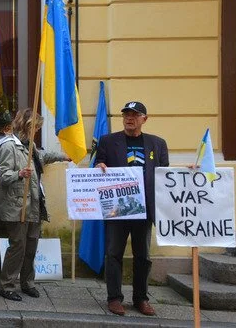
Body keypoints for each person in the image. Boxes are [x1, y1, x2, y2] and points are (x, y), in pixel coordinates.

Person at [95, 101, 168, 317]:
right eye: (126, 114)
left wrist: (187, 173)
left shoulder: (158, 144)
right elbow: (99, 163)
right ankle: (114, 298)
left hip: (144, 209)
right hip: (118, 208)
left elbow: (165, 174)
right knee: (113, 253)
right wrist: (100, 166)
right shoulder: (108, 141)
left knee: (143, 256)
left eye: (135, 115)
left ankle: (141, 298)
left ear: (145, 119)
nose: (129, 118)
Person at [0, 108, 66, 301]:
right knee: (18, 246)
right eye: (35, 127)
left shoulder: (30, 145)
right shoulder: (9, 146)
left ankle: (27, 283)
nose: (37, 130)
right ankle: (6, 285)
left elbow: (43, 156)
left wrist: (64, 157)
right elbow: (2, 176)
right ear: (26, 126)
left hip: (34, 203)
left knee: (31, 246)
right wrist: (19, 174)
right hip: (17, 206)